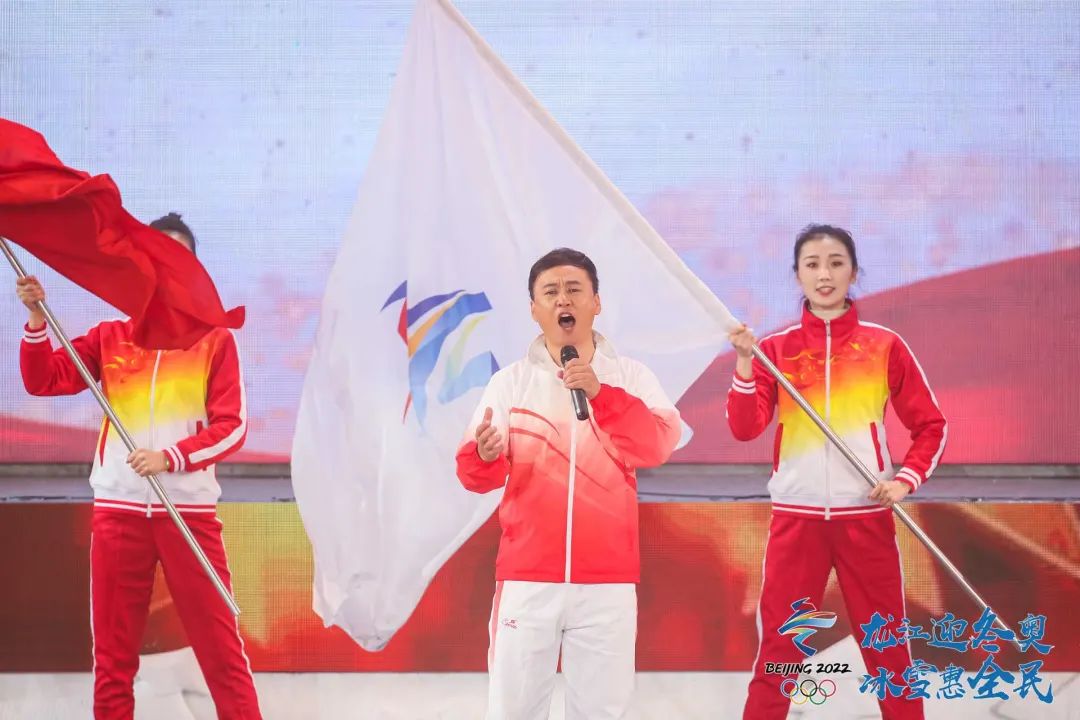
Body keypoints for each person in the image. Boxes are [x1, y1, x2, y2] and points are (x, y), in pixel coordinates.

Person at [16, 213, 262, 720]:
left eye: (177, 258)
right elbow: (44, 381)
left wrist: (171, 458)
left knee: (221, 654)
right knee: (113, 659)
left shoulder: (214, 340)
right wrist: (38, 321)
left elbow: (232, 426)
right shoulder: (112, 337)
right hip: (118, 514)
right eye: (155, 256)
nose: (165, 268)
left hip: (187, 517)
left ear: (193, 269)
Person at [728, 224, 947, 719]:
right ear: (797, 274)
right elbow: (745, 428)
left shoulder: (885, 346)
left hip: (865, 518)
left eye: (835, 263)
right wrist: (743, 363)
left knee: (888, 651)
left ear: (853, 271)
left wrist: (904, 480)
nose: (824, 274)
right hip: (796, 522)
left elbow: (931, 426)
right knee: (780, 652)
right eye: (812, 264)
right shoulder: (774, 350)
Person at [455, 247, 681, 720]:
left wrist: (601, 393)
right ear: (534, 309)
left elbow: (658, 445)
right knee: (513, 711)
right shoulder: (510, 383)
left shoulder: (632, 377)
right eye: (551, 292)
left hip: (607, 583)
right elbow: (473, 473)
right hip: (526, 580)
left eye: (575, 289)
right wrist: (486, 455)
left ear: (596, 302)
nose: (563, 299)